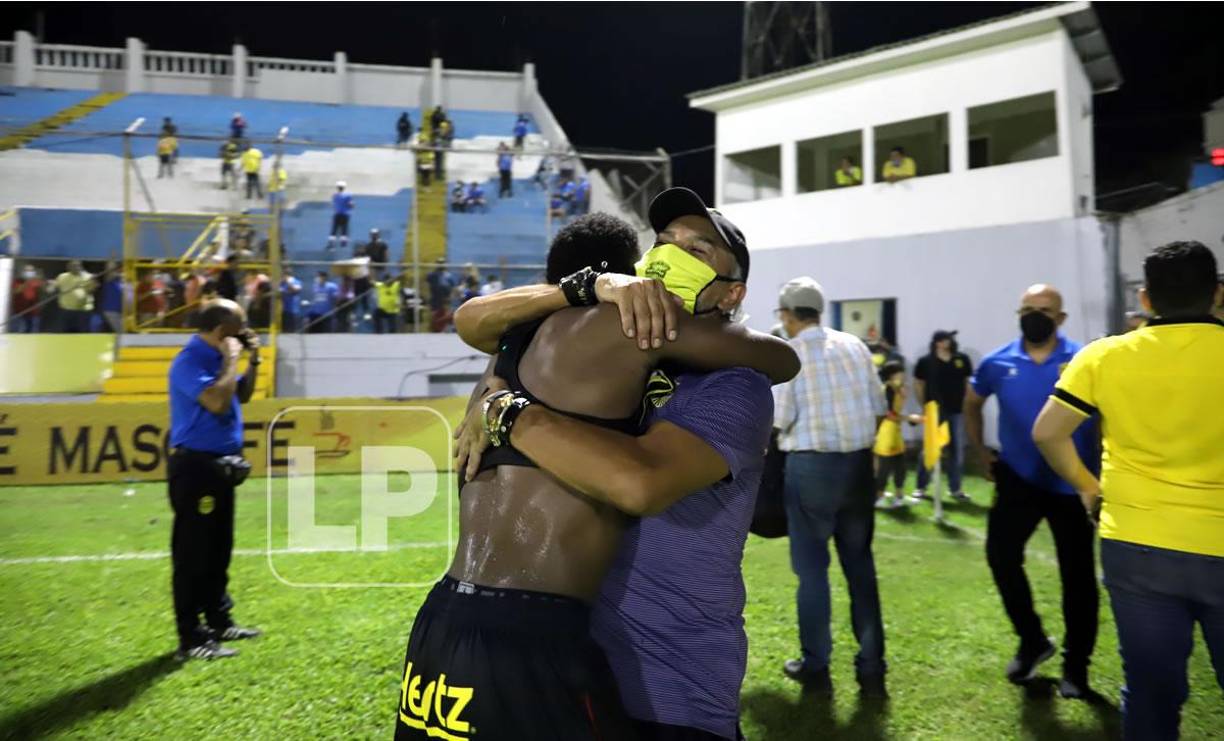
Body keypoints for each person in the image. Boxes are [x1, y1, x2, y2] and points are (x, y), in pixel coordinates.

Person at [411, 199, 798, 740]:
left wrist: (504, 410)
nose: (671, 256)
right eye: (664, 242)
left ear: (733, 292)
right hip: (555, 640)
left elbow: (641, 482)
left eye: (697, 249)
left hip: (669, 682)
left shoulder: (732, 383)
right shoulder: (620, 339)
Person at [1033, 242, 1224, 738]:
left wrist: (1087, 487)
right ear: (1217, 295)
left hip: (1137, 543)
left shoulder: (1104, 356)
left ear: (1145, 299)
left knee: (1151, 692)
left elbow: (1048, 432)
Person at [965, 284, 1100, 697]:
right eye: (1027, 308)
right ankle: (1033, 641)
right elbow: (972, 402)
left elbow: (1109, 413)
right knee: (1002, 559)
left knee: (1077, 577)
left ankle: (1077, 667)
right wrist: (979, 450)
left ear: (1060, 319)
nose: (1035, 315)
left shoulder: (1083, 359)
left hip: (1072, 484)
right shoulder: (997, 362)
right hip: (1017, 479)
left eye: (1044, 310)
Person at [773, 276, 890, 698]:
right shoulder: (855, 345)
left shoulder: (789, 352)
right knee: (861, 568)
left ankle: (816, 662)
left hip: (811, 469)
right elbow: (879, 408)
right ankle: (873, 664)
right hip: (857, 466)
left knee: (812, 573)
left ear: (787, 315)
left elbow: (779, 420)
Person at [166, 299, 263, 661]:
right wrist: (232, 358)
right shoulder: (189, 361)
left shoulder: (216, 359)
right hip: (196, 469)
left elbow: (240, 395)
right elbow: (217, 402)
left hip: (221, 466)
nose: (246, 330)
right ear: (223, 331)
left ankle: (219, 620)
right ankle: (191, 637)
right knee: (194, 552)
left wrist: (252, 361)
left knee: (219, 548)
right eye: (241, 324)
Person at [910, 329, 973, 502]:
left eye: (950, 340)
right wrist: (925, 405)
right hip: (934, 410)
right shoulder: (926, 361)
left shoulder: (961, 359)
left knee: (957, 450)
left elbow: (967, 383)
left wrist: (967, 404)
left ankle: (955, 489)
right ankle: (921, 487)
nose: (949, 343)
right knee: (930, 449)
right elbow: (919, 384)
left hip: (957, 410)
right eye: (945, 340)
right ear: (937, 342)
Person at [873, 361, 922, 509]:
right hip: (886, 431)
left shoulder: (899, 388)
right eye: (900, 372)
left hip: (896, 429)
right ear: (892, 374)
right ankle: (879, 496)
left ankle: (899, 495)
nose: (903, 375)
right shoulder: (887, 388)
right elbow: (889, 414)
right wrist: (910, 418)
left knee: (901, 464)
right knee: (884, 466)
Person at [53, 260, 96, 333]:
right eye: (72, 266)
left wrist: (93, 284)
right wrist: (50, 285)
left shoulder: (89, 277)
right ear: (68, 267)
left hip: (83, 310)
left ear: (81, 266)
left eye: (77, 265)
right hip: (66, 310)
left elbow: (92, 289)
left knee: (83, 332)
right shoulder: (62, 276)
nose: (75, 267)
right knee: (66, 333)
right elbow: (54, 286)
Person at [11, 264, 45, 333]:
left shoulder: (37, 281)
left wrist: (43, 280)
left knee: (33, 333)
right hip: (20, 312)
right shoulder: (18, 281)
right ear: (23, 272)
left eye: (31, 271)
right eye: (27, 271)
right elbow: (16, 291)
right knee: (19, 332)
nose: (29, 272)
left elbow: (46, 290)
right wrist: (27, 282)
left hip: (34, 313)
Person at [425, 258, 456, 332]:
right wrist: (427, 298)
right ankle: (434, 331)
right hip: (435, 300)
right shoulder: (431, 275)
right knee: (434, 317)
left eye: (442, 263)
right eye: (439, 263)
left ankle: (445, 331)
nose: (441, 264)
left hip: (445, 300)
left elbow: (453, 288)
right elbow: (427, 286)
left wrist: (451, 297)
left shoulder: (448, 275)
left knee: (446, 316)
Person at [328, 181, 354, 251]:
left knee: (334, 229)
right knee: (344, 228)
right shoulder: (348, 195)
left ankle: (331, 244)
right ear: (344, 187)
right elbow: (350, 204)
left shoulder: (334, 195)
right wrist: (351, 206)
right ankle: (343, 243)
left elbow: (333, 204)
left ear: (337, 188)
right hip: (345, 214)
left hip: (337, 214)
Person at [99, 262, 125, 333]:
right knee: (122, 332)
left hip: (119, 311)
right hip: (110, 310)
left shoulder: (120, 281)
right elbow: (110, 269)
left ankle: (118, 344)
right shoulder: (108, 278)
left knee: (120, 332)